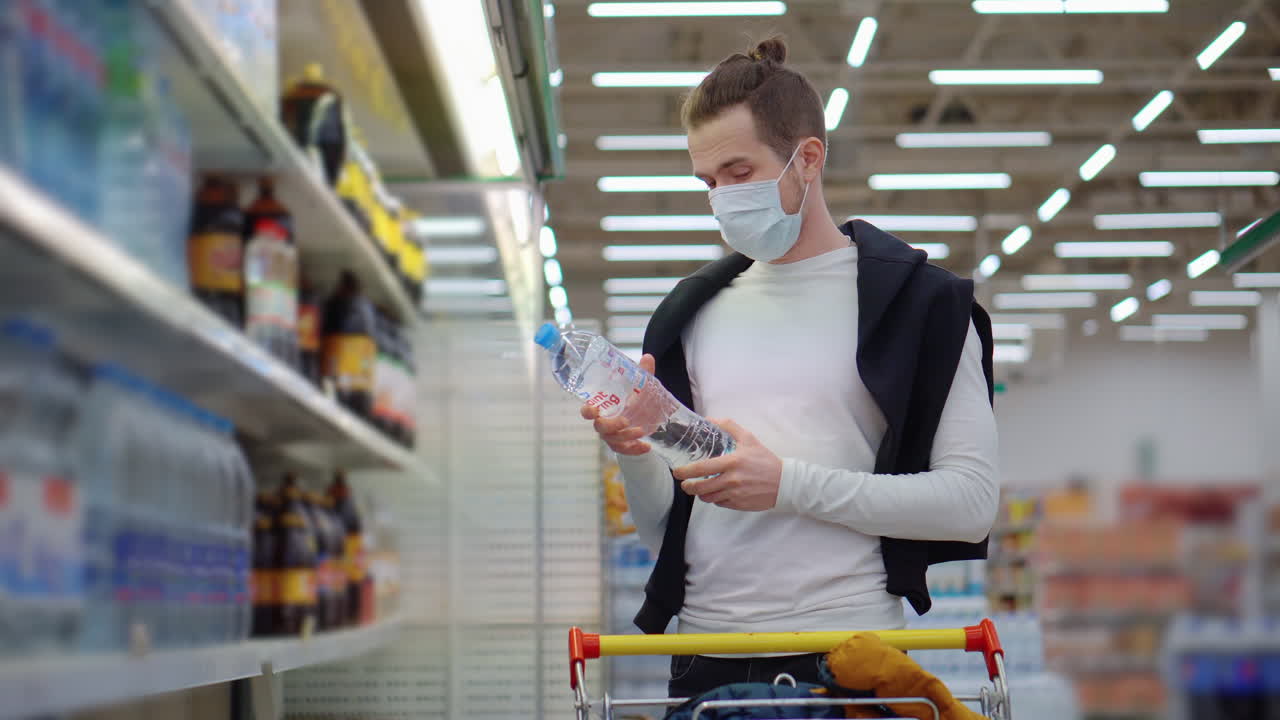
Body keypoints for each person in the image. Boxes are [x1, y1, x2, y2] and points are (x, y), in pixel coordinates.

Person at [581, 36, 1000, 699]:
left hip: (852, 664)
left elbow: (971, 505)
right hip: (704, 663)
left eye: (739, 174)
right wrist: (634, 453)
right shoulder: (690, 314)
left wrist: (786, 484)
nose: (721, 200)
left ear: (808, 158)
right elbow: (667, 529)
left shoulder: (921, 306)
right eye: (707, 183)